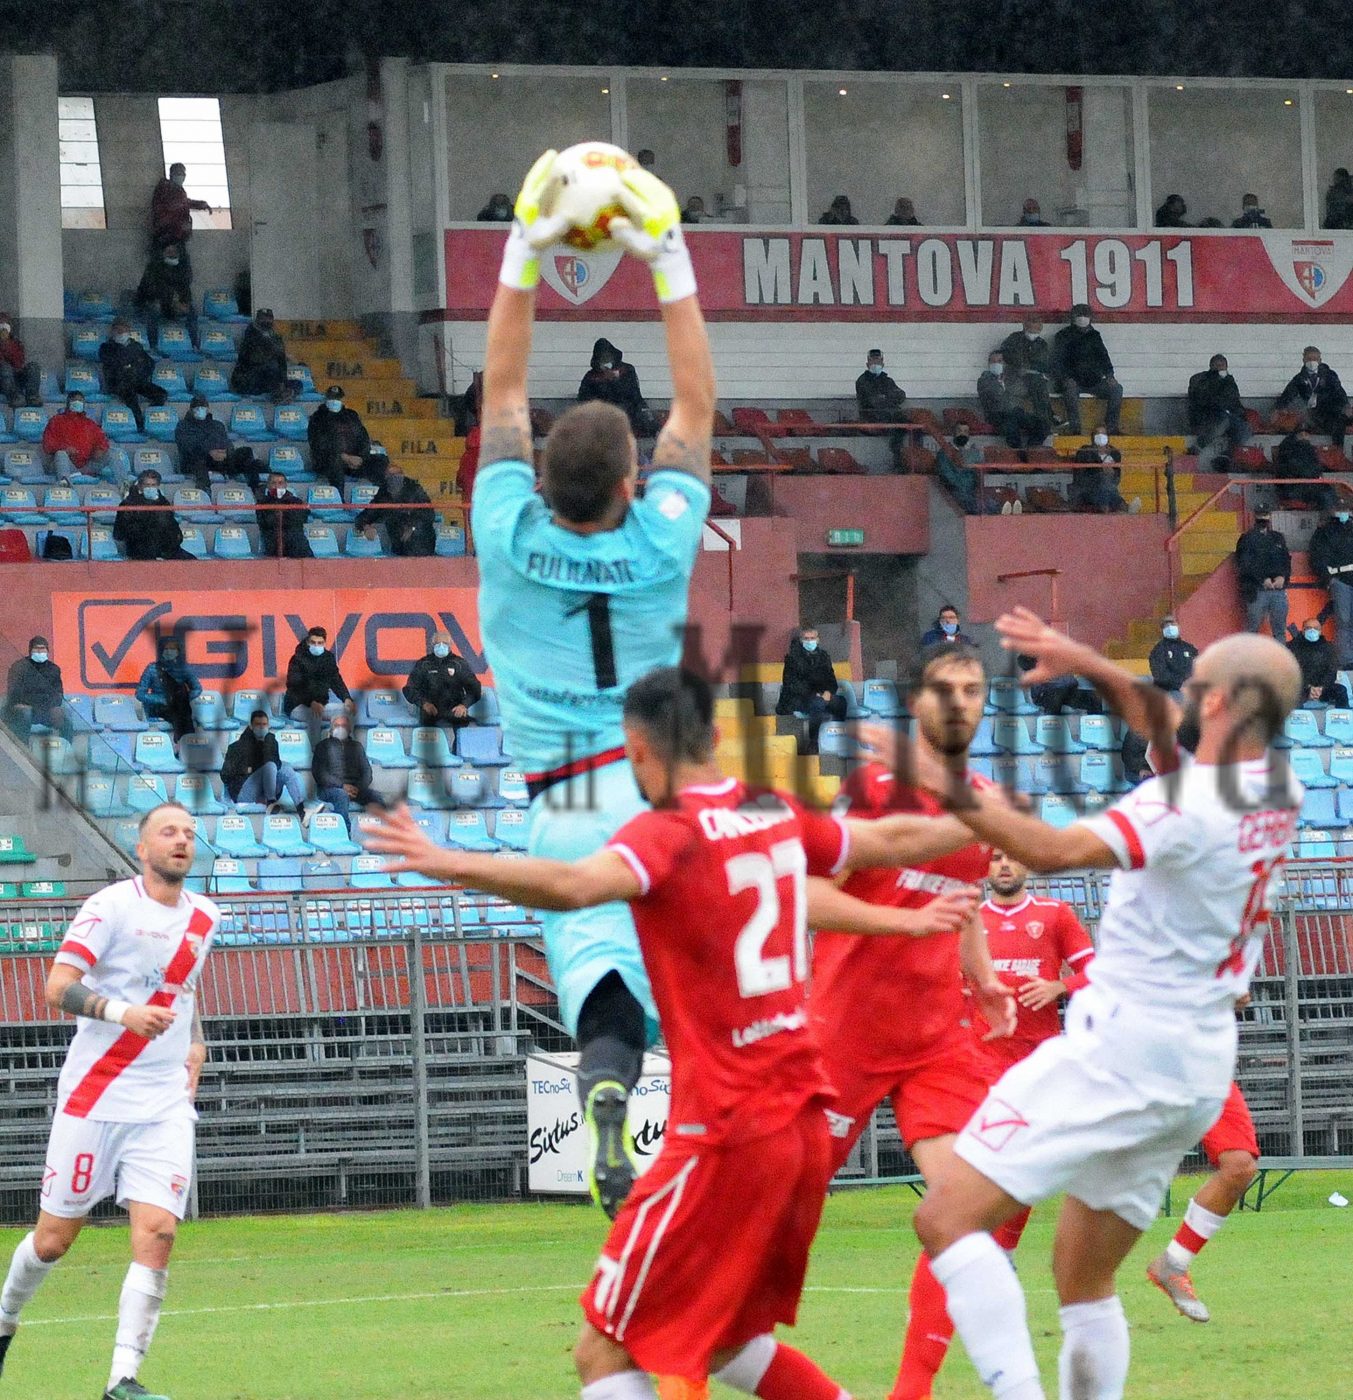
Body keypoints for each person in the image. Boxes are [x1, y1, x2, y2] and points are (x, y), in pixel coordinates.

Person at [364, 665, 984, 1397]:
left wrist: (447, 861)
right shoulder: (772, 810)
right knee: (724, 1342)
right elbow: (887, 842)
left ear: (636, 749)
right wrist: (993, 817)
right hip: (798, 1123)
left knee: (604, 1351)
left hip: (724, 1130)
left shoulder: (668, 833)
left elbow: (573, 885)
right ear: (717, 736)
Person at [906, 607, 1301, 1400]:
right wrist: (1085, 659)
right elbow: (1157, 722)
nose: (1176, 699)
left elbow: (1049, 850)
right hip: (1193, 1068)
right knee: (1082, 1281)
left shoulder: (1180, 806)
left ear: (1214, 704)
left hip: (1121, 1050)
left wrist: (938, 779)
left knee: (944, 1219)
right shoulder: (1274, 790)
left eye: (1191, 688)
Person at [471, 150, 715, 1218]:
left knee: (599, 968)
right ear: (632, 481)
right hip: (658, 788)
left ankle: (605, 1083)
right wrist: (669, 261)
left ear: (541, 480)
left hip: (563, 797)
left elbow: (503, 394)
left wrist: (523, 252)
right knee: (692, 977)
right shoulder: (661, 540)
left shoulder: (507, 532)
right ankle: (712, 1138)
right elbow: (697, 408)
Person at [806, 641, 1016, 1400]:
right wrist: (904, 925)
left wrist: (983, 978)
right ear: (915, 703)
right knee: (771, 1220)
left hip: (934, 1037)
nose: (959, 703)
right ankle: (685, 1353)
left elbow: (961, 905)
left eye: (973, 689)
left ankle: (910, 1391)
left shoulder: (982, 799)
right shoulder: (872, 789)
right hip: (843, 1033)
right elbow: (807, 895)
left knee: (973, 1202)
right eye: (943, 689)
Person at [0, 803, 218, 1400]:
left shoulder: (205, 916)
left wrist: (195, 1042)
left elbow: (183, 988)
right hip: (96, 1093)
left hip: (164, 1101)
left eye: (189, 833)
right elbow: (56, 987)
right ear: (142, 848)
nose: (181, 841)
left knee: (159, 1232)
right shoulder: (109, 907)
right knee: (53, 1240)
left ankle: (122, 1380)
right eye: (168, 832)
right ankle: (4, 1320)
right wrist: (123, 1013)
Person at [900, 847, 1094, 1398]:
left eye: (1012, 859)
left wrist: (1059, 987)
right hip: (973, 1065)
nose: (1004, 866)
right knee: (962, 1197)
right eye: (996, 859)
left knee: (1016, 1180)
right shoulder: (964, 918)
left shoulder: (1054, 915)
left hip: (1038, 1069)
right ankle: (982, 1264)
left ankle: (993, 1258)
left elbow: (1096, 972)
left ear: (1027, 866)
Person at [1145, 1077, 1261, 1324]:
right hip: (1132, 1065)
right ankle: (1090, 1302)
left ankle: (1174, 1263)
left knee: (1239, 1166)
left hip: (1203, 1069)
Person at [1053, 304, 1122, 437]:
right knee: (1070, 391)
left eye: (1085, 315)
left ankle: (1111, 428)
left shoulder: (1094, 335)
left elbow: (1104, 358)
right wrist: (1065, 378)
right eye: (1079, 315)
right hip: (1073, 382)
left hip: (1094, 381)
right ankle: (1075, 430)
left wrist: (1110, 376)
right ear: (1072, 317)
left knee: (1117, 389)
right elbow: (1057, 362)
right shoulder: (1063, 336)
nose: (1082, 318)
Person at [774, 626, 847, 750]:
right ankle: (813, 742)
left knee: (840, 702)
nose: (809, 641)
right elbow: (791, 683)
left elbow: (831, 679)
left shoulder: (824, 656)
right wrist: (814, 694)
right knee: (817, 704)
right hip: (799, 698)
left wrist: (828, 692)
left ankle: (839, 738)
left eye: (812, 638)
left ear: (817, 640)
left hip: (821, 695)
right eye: (806, 638)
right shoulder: (792, 658)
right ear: (801, 640)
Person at [220, 710, 307, 812]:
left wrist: (268, 741)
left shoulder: (271, 741)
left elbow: (277, 764)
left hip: (266, 789)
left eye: (264, 724)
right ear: (251, 726)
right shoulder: (236, 747)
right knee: (269, 766)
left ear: (268, 726)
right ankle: (271, 802)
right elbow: (225, 775)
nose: (261, 727)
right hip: (243, 792)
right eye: (258, 724)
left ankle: (302, 810)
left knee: (286, 768)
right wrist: (248, 770)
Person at [175, 393, 260, 494]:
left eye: (203, 407)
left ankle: (255, 488)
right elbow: (186, 446)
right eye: (197, 408)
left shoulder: (217, 425)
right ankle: (205, 491)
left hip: (220, 459)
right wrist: (209, 452)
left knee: (246, 452)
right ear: (191, 410)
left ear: (208, 409)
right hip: (196, 461)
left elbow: (226, 442)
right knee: (198, 461)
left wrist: (226, 453)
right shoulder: (183, 426)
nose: (200, 410)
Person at [311, 714, 382, 832]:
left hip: (355, 789)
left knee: (376, 797)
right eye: (337, 726)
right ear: (331, 729)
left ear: (349, 730)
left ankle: (384, 832)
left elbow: (367, 772)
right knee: (341, 795)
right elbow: (320, 774)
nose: (340, 728)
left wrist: (357, 788)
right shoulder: (322, 746)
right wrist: (342, 786)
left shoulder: (357, 747)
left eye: (344, 726)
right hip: (329, 789)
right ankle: (345, 831)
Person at [577, 338, 656, 437]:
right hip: (602, 410)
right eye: (602, 357)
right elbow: (583, 398)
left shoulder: (626, 369)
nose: (605, 359)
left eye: (608, 356)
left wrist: (615, 381)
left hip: (627, 406)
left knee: (644, 414)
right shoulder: (591, 376)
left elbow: (633, 393)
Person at [1276, 347, 1353, 448]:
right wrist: (1279, 408)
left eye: (1315, 359)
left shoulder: (1330, 376)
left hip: (1332, 411)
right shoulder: (1299, 378)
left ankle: (1338, 451)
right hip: (1312, 415)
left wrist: (1346, 405)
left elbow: (1339, 392)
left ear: (1320, 360)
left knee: (1339, 421)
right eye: (1309, 359)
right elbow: (1288, 394)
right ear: (1303, 360)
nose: (1312, 362)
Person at [402, 631, 482, 729]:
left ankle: (458, 739)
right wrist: (424, 704)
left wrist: (464, 705)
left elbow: (475, 689)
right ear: (432, 645)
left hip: (455, 710)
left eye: (445, 643)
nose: (441, 646)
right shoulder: (423, 664)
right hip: (430, 710)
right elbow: (409, 689)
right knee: (427, 724)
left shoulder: (459, 664)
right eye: (438, 643)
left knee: (463, 721)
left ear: (450, 645)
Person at [99, 321, 168, 434]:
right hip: (118, 383)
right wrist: (130, 364)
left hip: (137, 380)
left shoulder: (136, 346)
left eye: (124, 330)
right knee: (131, 396)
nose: (121, 333)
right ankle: (139, 424)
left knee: (161, 394)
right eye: (118, 331)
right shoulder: (106, 347)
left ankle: (149, 417)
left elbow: (149, 363)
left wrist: (137, 371)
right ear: (113, 331)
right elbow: (113, 364)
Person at [353, 463, 436, 556]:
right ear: (386, 477)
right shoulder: (383, 493)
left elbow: (429, 514)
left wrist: (413, 527)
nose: (393, 479)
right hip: (397, 540)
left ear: (402, 476)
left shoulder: (414, 489)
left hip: (421, 539)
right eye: (390, 476)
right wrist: (366, 527)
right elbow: (365, 516)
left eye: (397, 475)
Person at [282, 625, 355, 727]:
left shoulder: (328, 658)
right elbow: (295, 686)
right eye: (313, 642)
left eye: (320, 643)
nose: (316, 645)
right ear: (308, 642)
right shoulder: (297, 659)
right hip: (297, 706)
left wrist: (346, 698)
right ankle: (318, 738)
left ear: (324, 643)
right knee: (315, 716)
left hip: (321, 705)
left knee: (348, 710)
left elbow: (336, 681)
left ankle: (338, 736)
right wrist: (311, 702)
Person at [114, 471, 195, 562]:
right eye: (147, 485)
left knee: (192, 561)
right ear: (140, 486)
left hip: (167, 549)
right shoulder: (128, 504)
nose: (150, 488)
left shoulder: (163, 502)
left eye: (153, 485)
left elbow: (172, 527)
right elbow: (119, 533)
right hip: (140, 550)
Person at [3, 636, 72, 744]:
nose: (40, 652)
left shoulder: (54, 669)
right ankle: (23, 748)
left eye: (42, 649)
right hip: (23, 708)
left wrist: (51, 707)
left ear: (47, 651)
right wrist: (28, 704)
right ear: (30, 651)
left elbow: (58, 694)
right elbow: (14, 693)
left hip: (45, 709)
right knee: (25, 712)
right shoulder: (19, 667)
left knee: (63, 715)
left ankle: (67, 748)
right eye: (36, 649)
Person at [977, 350, 1049, 453]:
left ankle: (1031, 450)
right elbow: (996, 396)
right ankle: (1018, 452)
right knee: (1011, 423)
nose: (996, 364)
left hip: (1015, 412)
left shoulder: (1011, 378)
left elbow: (1023, 392)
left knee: (1042, 424)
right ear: (989, 364)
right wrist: (1001, 383)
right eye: (993, 361)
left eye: (999, 361)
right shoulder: (984, 380)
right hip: (996, 415)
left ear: (1004, 363)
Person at [1235, 510, 1291, 639]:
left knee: (1280, 630)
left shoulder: (1277, 537)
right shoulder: (1247, 538)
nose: (1264, 519)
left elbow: (1286, 560)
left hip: (1278, 588)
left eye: (1265, 516)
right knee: (1252, 629)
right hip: (1257, 589)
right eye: (1261, 516)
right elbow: (1245, 564)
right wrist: (1262, 579)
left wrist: (1283, 577)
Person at [307, 385, 375, 491]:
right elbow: (318, 444)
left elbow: (363, 438)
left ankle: (381, 497)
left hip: (354, 461)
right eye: (332, 398)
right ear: (326, 399)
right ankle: (339, 498)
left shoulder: (351, 416)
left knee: (379, 460)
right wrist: (344, 457)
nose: (335, 401)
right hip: (327, 461)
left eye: (337, 398)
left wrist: (361, 457)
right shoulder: (317, 417)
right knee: (335, 460)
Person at [1308, 504, 1353, 665]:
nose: (1344, 512)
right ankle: (1346, 660)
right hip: (1340, 581)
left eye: (1347, 509)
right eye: (1341, 509)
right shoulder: (1325, 531)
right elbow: (1317, 556)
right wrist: (1328, 579)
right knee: (1344, 621)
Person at [134, 637, 201, 744]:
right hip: (158, 707)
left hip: (178, 706)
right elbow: (139, 694)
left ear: (178, 652)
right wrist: (161, 699)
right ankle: (183, 743)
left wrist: (182, 698)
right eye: (166, 649)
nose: (169, 652)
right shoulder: (152, 669)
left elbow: (197, 689)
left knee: (184, 713)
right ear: (161, 651)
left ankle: (188, 744)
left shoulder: (183, 668)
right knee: (179, 714)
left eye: (172, 649)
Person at [1187, 354, 1251, 464]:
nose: (1221, 368)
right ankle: (1198, 446)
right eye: (1218, 365)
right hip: (1208, 414)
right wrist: (1216, 378)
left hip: (1228, 414)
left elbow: (1234, 400)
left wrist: (1242, 414)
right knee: (1223, 421)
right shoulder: (1202, 379)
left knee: (1245, 428)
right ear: (1211, 366)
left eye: (1223, 365)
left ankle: (1228, 455)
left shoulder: (1229, 380)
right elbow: (1203, 399)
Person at [134, 243, 198, 352]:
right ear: (163, 253)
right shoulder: (153, 269)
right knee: (154, 309)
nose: (172, 254)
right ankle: (153, 344)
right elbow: (148, 291)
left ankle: (194, 343)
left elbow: (185, 290)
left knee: (191, 312)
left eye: (174, 252)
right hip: (155, 303)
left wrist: (184, 303)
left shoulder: (182, 270)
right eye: (169, 252)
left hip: (175, 305)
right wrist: (169, 301)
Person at [997, 317, 1058, 428]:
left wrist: (1029, 367)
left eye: (1036, 331)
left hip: (1033, 380)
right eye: (1031, 330)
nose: (1033, 333)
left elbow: (1044, 364)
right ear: (1024, 327)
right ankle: (1048, 418)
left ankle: (1045, 420)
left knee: (1037, 382)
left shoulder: (1042, 344)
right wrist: (1025, 366)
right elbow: (1008, 357)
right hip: (1015, 377)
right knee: (1039, 385)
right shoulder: (1014, 339)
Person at [42, 392, 116, 483]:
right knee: (61, 454)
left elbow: (102, 440)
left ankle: (125, 484)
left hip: (86, 466)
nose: (77, 402)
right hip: (65, 464)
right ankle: (65, 484)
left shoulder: (90, 424)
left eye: (80, 400)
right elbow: (47, 445)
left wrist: (100, 449)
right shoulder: (56, 421)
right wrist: (65, 449)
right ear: (68, 402)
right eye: (74, 400)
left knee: (112, 453)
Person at [855, 348, 909, 469]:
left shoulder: (887, 380)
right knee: (898, 424)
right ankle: (898, 457)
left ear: (883, 363)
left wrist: (885, 397)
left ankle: (911, 456)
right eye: (873, 361)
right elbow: (872, 401)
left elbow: (901, 395)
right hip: (871, 416)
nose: (876, 364)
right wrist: (888, 398)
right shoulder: (862, 381)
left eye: (878, 361)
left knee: (910, 423)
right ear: (867, 363)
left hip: (890, 415)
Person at [229, 308, 290, 401]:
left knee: (297, 383)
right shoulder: (250, 335)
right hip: (247, 380)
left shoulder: (275, 338)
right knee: (272, 366)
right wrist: (273, 348)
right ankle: (279, 394)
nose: (266, 321)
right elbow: (255, 359)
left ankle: (284, 394)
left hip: (265, 381)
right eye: (263, 319)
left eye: (269, 319)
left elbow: (282, 364)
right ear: (257, 320)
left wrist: (284, 383)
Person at [1272, 424, 1337, 511]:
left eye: (1306, 434)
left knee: (1327, 489)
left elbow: (1313, 468)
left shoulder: (1305, 447)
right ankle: (1329, 517)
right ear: (1296, 435)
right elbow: (1302, 470)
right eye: (1301, 434)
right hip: (1292, 487)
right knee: (1326, 493)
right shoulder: (1290, 449)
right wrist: (1316, 472)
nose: (1304, 436)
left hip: (1302, 484)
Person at [1287, 619, 1349, 707]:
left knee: (1341, 690)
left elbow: (1331, 670)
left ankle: (1343, 714)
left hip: (1323, 688)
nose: (1312, 631)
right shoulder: (1292, 647)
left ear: (1320, 631)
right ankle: (1297, 715)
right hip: (1302, 687)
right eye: (1309, 628)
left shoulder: (1328, 648)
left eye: (1316, 628)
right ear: (1303, 630)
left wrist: (1321, 687)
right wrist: (1308, 687)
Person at [150, 162, 211, 251]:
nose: (182, 176)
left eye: (183, 173)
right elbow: (177, 204)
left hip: (174, 234)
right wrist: (199, 204)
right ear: (171, 174)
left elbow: (183, 202)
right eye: (179, 173)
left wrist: (200, 204)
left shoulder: (176, 189)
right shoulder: (166, 189)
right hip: (168, 234)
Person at [1069, 430, 1131, 513]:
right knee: (1104, 481)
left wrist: (1111, 473)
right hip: (1088, 489)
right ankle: (1122, 506)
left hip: (1106, 490)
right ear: (1093, 438)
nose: (1101, 437)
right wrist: (1101, 467)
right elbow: (1082, 477)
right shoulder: (1085, 451)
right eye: (1098, 434)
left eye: (1104, 434)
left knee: (1107, 486)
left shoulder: (1114, 453)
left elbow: (1117, 479)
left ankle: (1107, 507)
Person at [255, 471, 312, 559]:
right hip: (274, 540)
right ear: (268, 485)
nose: (277, 486)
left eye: (280, 483)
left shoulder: (296, 501)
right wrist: (286, 514)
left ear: (285, 485)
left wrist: (281, 514)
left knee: (297, 539)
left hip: (296, 541)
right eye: (273, 483)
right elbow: (267, 522)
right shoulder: (262, 503)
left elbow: (301, 519)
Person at [1148, 615, 1198, 697]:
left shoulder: (1188, 648)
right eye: (1166, 625)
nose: (1170, 627)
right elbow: (1161, 675)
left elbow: (1198, 666)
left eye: (1172, 623)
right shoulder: (1158, 650)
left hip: (1190, 689)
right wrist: (1180, 684)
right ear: (1162, 630)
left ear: (1178, 626)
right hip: (1168, 692)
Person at [0, 313, 41, 407]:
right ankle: (15, 397)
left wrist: (7, 345)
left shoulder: (16, 343)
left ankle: (32, 396)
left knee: (33, 367)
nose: (3, 329)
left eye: (5, 325)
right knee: (5, 368)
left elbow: (18, 363)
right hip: (2, 380)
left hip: (14, 376)